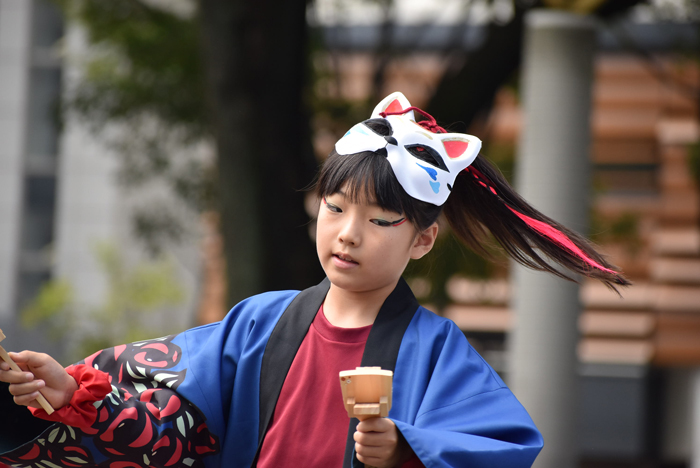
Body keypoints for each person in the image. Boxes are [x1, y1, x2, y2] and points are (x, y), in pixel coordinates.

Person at [0, 92, 629, 468]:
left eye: (381, 218)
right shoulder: (259, 324)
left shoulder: (438, 352)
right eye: (334, 208)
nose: (348, 233)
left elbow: (502, 446)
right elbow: (168, 416)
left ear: (423, 239)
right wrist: (73, 395)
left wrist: (404, 448)